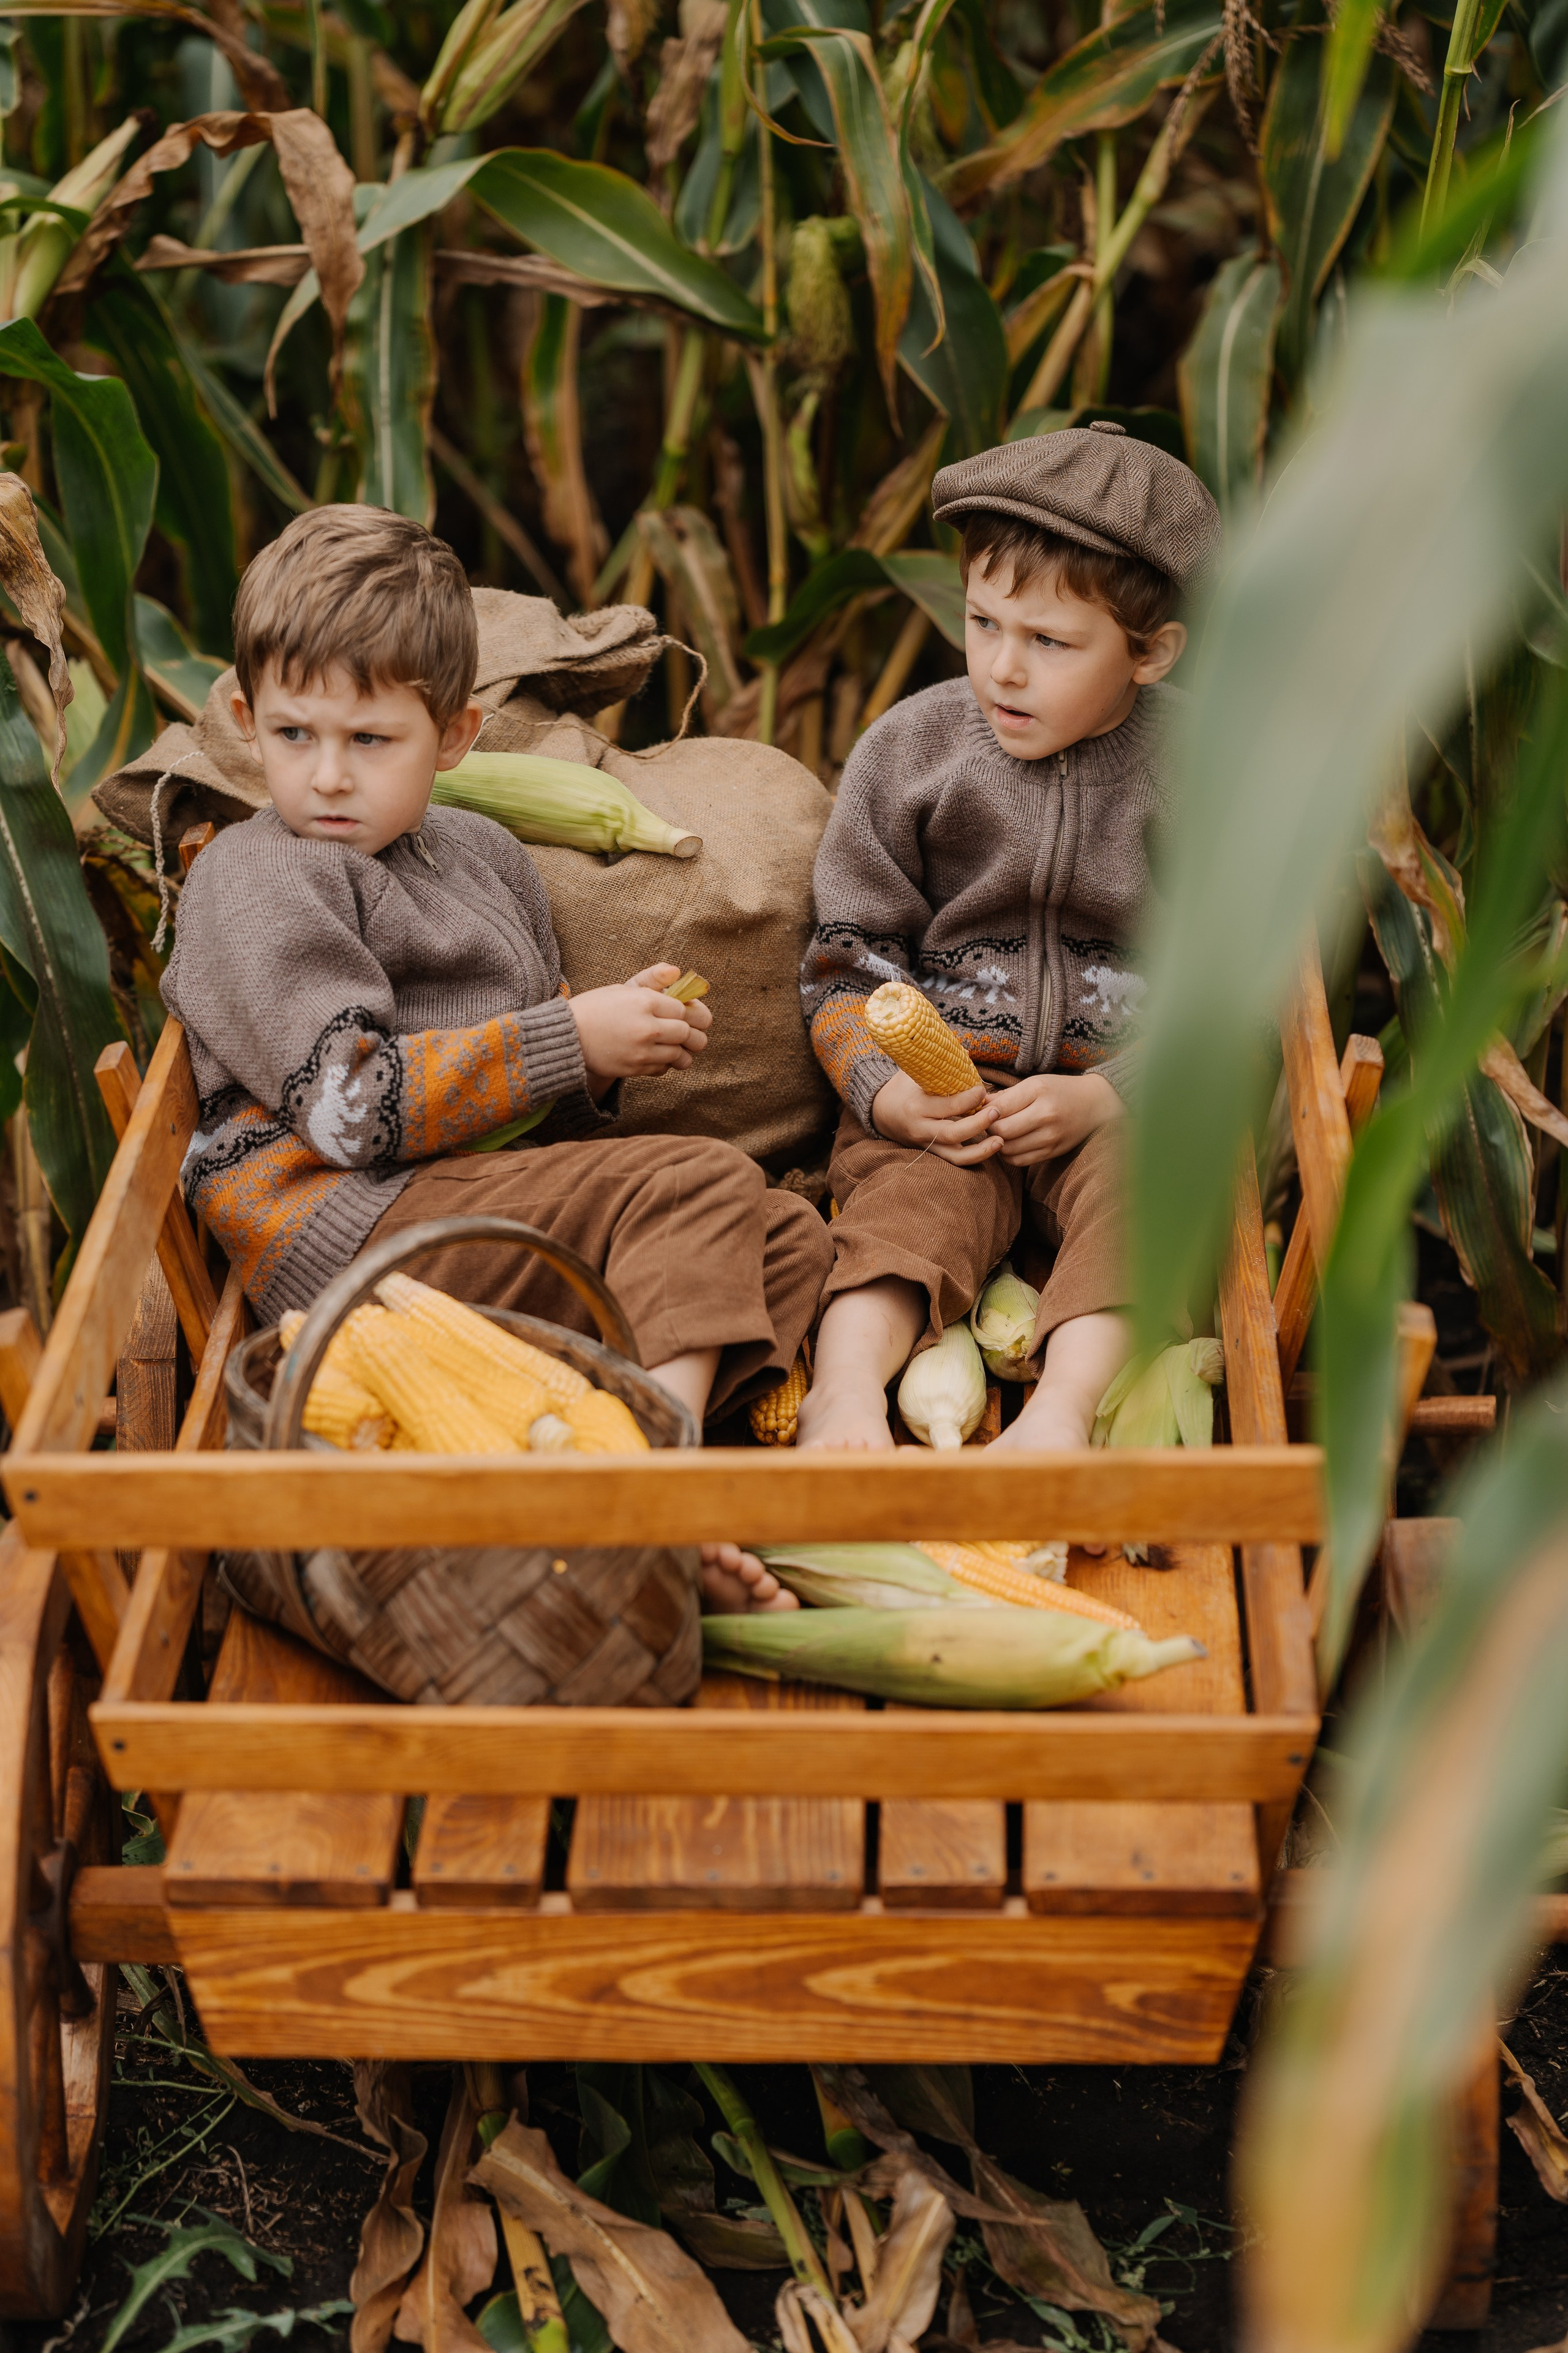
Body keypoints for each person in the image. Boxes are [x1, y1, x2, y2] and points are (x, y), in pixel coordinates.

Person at [162, 504, 828, 1607]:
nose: (328, 776)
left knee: (784, 1238)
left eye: (370, 741)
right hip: (344, 1229)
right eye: (294, 735)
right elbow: (342, 1111)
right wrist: (567, 1038)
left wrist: (602, 1069)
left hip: (460, 1213)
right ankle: (648, 1509)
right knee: (700, 1182)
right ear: (245, 718)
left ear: (457, 737)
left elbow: (537, 1128)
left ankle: (558, 1464)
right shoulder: (258, 876)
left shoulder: (484, 859)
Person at [796, 423, 1221, 1452]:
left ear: (1152, 655)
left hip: (1115, 1107)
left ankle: (1065, 1415)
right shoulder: (914, 752)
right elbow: (845, 960)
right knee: (905, 1212)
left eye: (1050, 642)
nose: (1004, 668)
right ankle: (844, 1392)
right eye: (983, 623)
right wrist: (888, 1094)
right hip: (949, 1105)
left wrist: (1105, 1097)